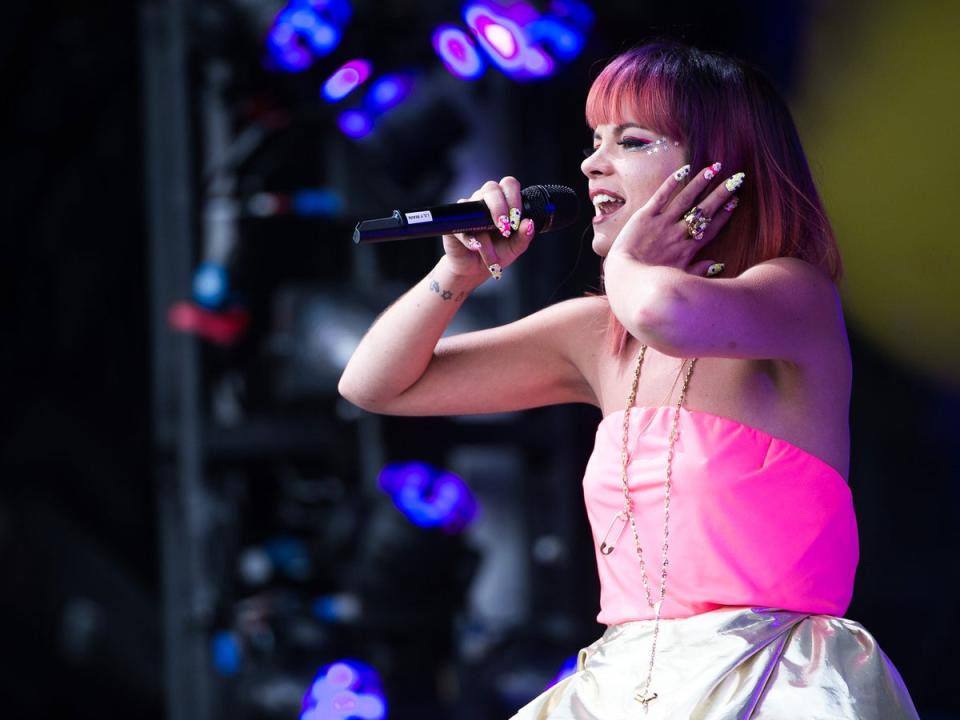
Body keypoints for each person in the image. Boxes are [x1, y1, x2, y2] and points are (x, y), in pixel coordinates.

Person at [338, 41, 918, 719]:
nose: (591, 163)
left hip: (776, 679)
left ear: (716, 169)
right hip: (624, 686)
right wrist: (457, 274)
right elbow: (374, 384)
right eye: (594, 140)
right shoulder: (600, 333)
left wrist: (635, 258)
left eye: (633, 141)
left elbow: (662, 311)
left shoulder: (793, 295)